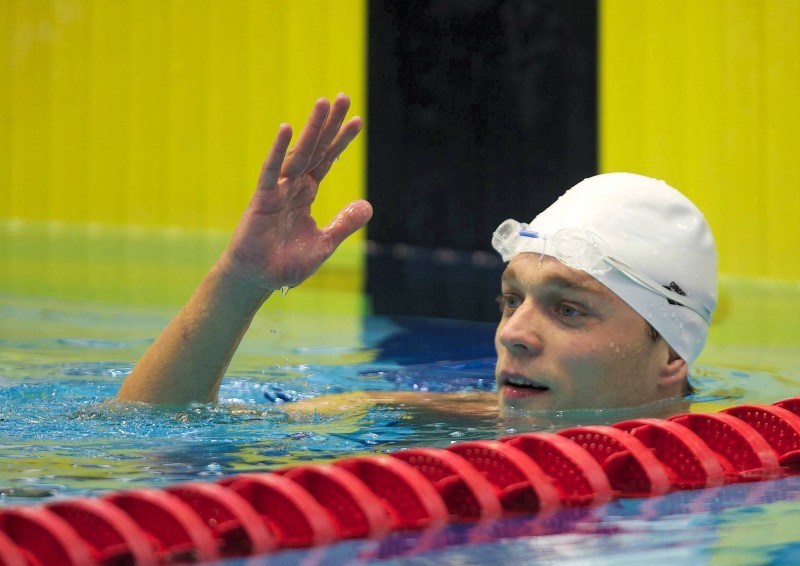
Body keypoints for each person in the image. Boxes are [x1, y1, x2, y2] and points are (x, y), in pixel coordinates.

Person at [117, 94, 717, 416]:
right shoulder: (428, 417)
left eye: (568, 311)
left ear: (669, 354)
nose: (513, 334)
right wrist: (239, 282)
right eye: (511, 300)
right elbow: (153, 433)